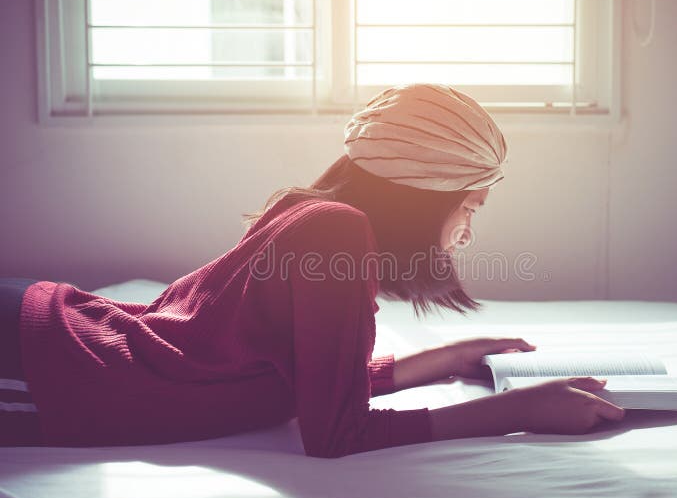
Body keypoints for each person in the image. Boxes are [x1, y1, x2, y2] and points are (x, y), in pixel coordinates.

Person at [0, 83, 624, 458]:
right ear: (423, 195)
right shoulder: (338, 232)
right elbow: (336, 433)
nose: (468, 232)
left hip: (49, 334)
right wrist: (520, 412)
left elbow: (300, 378)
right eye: (467, 206)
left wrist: (441, 360)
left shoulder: (317, 217)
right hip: (44, 366)